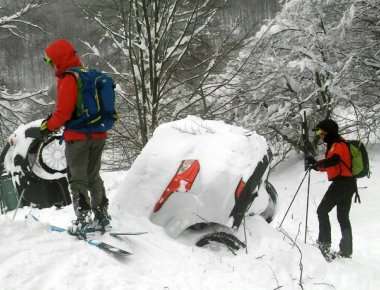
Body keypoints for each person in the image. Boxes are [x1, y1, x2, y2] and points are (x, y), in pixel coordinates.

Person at [40, 39, 111, 233]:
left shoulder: (68, 79)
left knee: (77, 179)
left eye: (50, 61)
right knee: (93, 176)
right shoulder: (88, 75)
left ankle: (84, 219)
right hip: (99, 135)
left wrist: (47, 127)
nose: (51, 66)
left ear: (59, 60)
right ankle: (102, 215)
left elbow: (63, 113)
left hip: (78, 138)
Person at [307, 119, 356, 259]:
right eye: (318, 132)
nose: (319, 135)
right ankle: (346, 251)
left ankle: (324, 246)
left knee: (322, 211)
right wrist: (317, 166)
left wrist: (317, 164)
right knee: (343, 217)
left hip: (342, 184)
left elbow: (334, 160)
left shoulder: (338, 144)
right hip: (348, 184)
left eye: (321, 132)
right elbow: (333, 165)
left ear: (328, 132)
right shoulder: (337, 143)